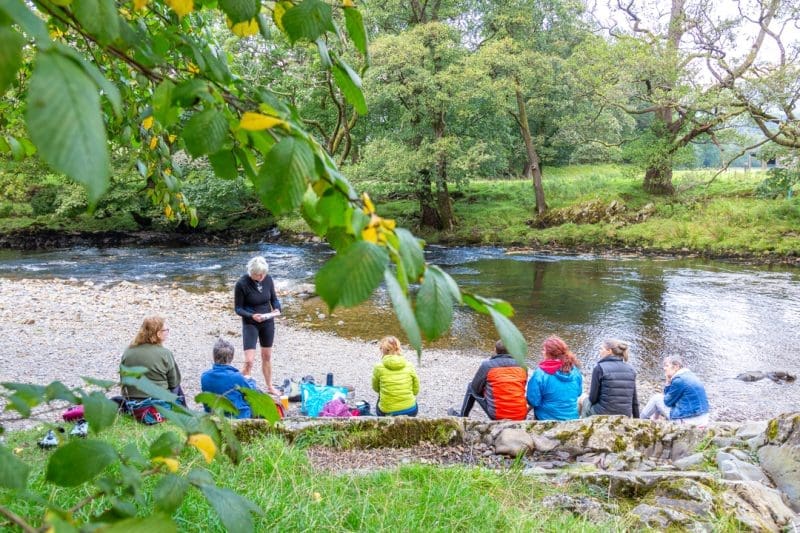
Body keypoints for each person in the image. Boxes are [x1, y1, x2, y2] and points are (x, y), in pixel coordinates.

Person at [234, 256, 281, 395]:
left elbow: (274, 299)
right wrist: (251, 316)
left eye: (263, 274)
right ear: (251, 272)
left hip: (267, 321)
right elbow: (238, 309)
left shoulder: (268, 279)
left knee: (266, 356)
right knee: (249, 361)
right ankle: (238, 387)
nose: (261, 277)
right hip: (250, 323)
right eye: (258, 275)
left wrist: (277, 309)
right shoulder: (242, 284)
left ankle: (270, 386)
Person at [448, 340, 528, 420]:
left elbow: (475, 388)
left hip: (497, 416)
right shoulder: (522, 366)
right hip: (521, 416)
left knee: (471, 387)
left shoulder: (488, 365)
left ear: (495, 350)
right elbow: (522, 385)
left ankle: (462, 417)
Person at [120, 316, 185, 405]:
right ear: (158, 334)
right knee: (178, 386)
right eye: (166, 330)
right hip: (158, 403)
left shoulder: (128, 351)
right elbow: (174, 384)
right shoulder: (165, 353)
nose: (167, 333)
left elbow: (123, 380)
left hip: (132, 402)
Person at [641, 355, 710, 426]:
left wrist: (667, 382)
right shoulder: (689, 375)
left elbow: (667, 401)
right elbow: (669, 398)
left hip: (688, 421)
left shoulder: (679, 380)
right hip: (703, 418)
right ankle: (655, 420)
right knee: (661, 401)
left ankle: (639, 420)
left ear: (676, 367)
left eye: (666, 365)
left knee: (656, 399)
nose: (664, 368)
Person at [526, 335, 582, 421]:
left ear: (550, 354)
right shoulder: (575, 371)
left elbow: (533, 401)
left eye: (544, 350)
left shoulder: (540, 373)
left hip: (546, 419)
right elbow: (578, 393)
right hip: (572, 418)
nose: (542, 352)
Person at [579, 339, 639, 418]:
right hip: (625, 414)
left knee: (582, 398)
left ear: (609, 351)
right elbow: (634, 401)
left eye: (601, 349)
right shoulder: (631, 369)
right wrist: (637, 419)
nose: (600, 351)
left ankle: (583, 424)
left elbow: (593, 399)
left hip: (603, 413)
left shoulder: (599, 368)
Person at [200, 338, 258, 418]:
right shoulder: (237, 377)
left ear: (214, 356)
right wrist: (251, 380)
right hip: (236, 417)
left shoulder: (204, 376)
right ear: (232, 357)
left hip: (212, 415)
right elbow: (251, 392)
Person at [372, 336, 419, 417]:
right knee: (412, 401)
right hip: (411, 410)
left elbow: (376, 388)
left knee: (380, 399)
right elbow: (416, 391)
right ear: (398, 348)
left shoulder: (378, 367)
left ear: (382, 350)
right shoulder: (409, 365)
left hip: (387, 412)